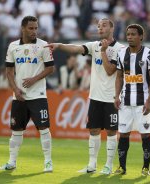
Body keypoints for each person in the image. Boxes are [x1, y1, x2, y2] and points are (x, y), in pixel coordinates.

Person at [45, 18, 124, 175]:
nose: (100, 28)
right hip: (95, 96)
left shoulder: (120, 49)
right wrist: (59, 46)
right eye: (98, 26)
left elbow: (110, 71)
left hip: (111, 97)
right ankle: (92, 164)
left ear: (112, 28)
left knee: (111, 132)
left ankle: (108, 165)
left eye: (104, 25)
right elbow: (75, 48)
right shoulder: (94, 45)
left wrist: (103, 51)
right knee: (93, 130)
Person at [0, 16, 54, 172]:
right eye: (31, 28)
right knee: (16, 131)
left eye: (36, 28)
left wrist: (34, 79)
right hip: (19, 96)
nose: (34, 31)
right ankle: (12, 162)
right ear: (23, 28)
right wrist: (15, 89)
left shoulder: (44, 45)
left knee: (44, 128)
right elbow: (9, 71)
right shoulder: (13, 46)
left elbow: (50, 68)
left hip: (38, 95)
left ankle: (48, 162)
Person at [113, 24, 150, 176]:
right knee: (123, 134)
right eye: (128, 34)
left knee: (145, 135)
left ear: (141, 37)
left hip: (142, 102)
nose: (129, 37)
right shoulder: (121, 53)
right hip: (125, 102)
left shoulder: (149, 55)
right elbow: (119, 76)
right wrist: (116, 96)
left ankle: (146, 167)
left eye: (133, 34)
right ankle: (121, 167)